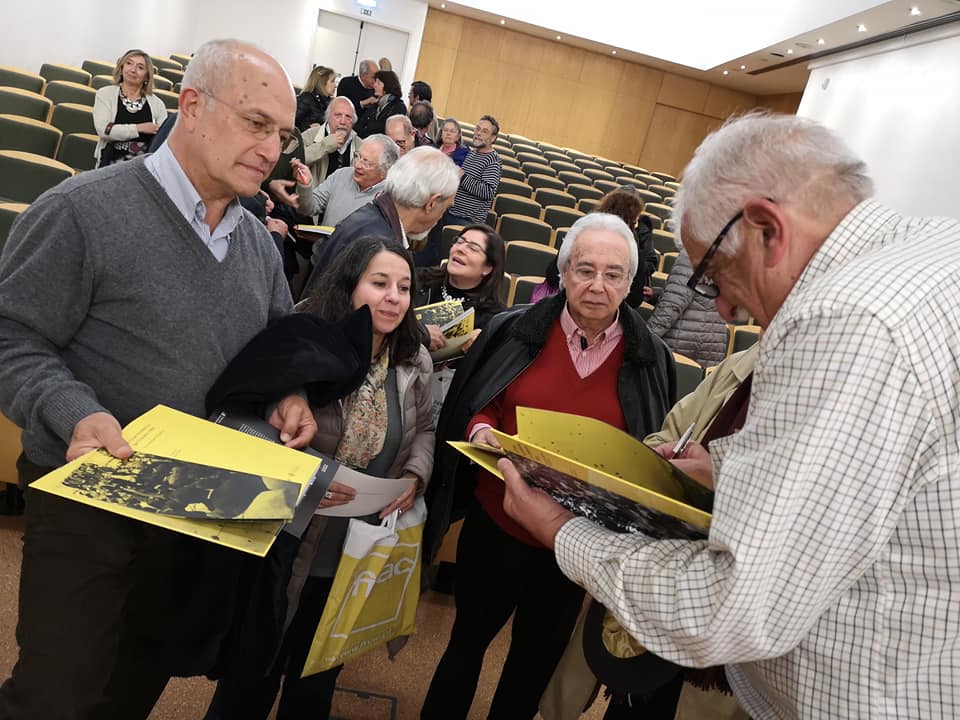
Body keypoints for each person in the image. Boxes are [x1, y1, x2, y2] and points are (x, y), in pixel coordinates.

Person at [497, 112, 960, 718]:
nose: (724, 310)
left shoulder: (847, 318)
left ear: (767, 228)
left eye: (713, 276)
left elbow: (735, 606)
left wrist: (562, 531)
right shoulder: (934, 251)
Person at [0, 39, 315, 719]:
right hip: (89, 500)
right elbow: (11, 336)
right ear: (193, 107)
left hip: (193, 505)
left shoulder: (260, 244)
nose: (271, 148)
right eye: (256, 123)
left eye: (282, 134)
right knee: (57, 692)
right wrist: (70, 409)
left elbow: (278, 348)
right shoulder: (82, 210)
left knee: (136, 682)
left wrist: (289, 394)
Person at [420, 213, 676, 720]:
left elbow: (650, 449)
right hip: (498, 523)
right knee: (464, 648)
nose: (597, 286)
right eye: (584, 270)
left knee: (530, 669)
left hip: (576, 547)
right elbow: (478, 404)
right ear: (562, 272)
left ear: (631, 282)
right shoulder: (512, 330)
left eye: (613, 274)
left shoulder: (653, 359)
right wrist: (482, 433)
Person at [206, 236, 434, 720]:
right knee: (250, 676)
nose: (394, 297)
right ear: (350, 285)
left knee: (315, 681)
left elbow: (426, 427)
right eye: (379, 283)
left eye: (404, 287)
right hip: (284, 541)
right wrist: (304, 477)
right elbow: (250, 414)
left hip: (354, 549)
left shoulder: (414, 359)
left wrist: (415, 474)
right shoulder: (305, 341)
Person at [301, 146, 459, 296]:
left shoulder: (368, 217)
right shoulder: (384, 247)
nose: (440, 218)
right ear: (431, 203)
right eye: (445, 208)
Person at [534, 188, 658, 306]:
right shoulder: (631, 247)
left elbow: (553, 274)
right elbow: (634, 300)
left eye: (612, 276)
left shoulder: (582, 234)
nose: (597, 287)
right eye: (586, 272)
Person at [417, 115, 501, 267]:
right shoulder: (472, 153)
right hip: (449, 212)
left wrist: (463, 177)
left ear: (493, 138)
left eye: (485, 131)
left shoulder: (493, 161)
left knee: (446, 259)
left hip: (466, 221)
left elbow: (488, 192)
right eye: (477, 129)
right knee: (430, 251)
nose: (478, 133)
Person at [274, 134, 397, 226]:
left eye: (367, 162)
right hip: (321, 255)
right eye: (358, 156)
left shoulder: (391, 198)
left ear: (385, 171)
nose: (358, 165)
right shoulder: (341, 175)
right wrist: (305, 186)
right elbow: (308, 208)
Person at [416, 223, 506, 331]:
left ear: (488, 268)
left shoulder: (493, 318)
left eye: (473, 248)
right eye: (459, 242)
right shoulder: (420, 279)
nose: (461, 249)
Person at [646, 250, 729, 366]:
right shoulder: (727, 256)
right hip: (714, 343)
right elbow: (703, 297)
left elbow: (671, 307)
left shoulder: (693, 254)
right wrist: (657, 294)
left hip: (683, 344)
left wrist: (644, 337)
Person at [93, 48, 167, 167]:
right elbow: (104, 130)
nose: (133, 70)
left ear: (147, 76)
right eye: (129, 63)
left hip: (143, 167)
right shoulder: (105, 94)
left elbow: (163, 140)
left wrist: (117, 129)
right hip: (109, 164)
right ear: (122, 68)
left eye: (140, 67)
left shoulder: (157, 104)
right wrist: (139, 128)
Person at [300, 96, 359, 185]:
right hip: (314, 196)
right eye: (338, 115)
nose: (343, 121)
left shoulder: (360, 145)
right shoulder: (310, 136)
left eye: (348, 117)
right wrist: (325, 145)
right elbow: (297, 161)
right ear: (328, 117)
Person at [354, 70, 407, 139]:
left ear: (387, 86)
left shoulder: (398, 107)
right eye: (375, 82)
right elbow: (359, 125)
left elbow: (385, 131)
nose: (374, 85)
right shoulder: (375, 105)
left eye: (378, 83)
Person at [295, 65, 336, 131]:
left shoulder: (329, 102)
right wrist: (307, 128)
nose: (335, 85)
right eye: (332, 81)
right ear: (322, 82)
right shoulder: (306, 99)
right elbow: (291, 123)